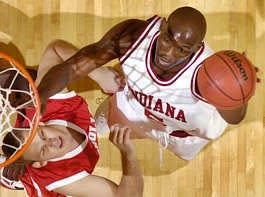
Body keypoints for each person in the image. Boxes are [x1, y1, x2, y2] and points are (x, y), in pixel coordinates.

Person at [36, 6, 248, 161]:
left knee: (183, 154)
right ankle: (100, 124)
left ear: (196, 49)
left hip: (181, 133)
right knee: (102, 120)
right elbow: (74, 66)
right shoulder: (131, 36)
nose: (168, 53)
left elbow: (235, 116)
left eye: (182, 50)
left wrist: (239, 90)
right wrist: (43, 94)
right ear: (163, 25)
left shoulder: (210, 74)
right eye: (167, 39)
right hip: (136, 107)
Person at [0, 40, 143, 197]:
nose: (52, 142)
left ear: (38, 123)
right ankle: (16, 178)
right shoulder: (64, 177)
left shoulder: (51, 104)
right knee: (13, 174)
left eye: (42, 135)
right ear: (41, 163)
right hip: (40, 183)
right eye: (43, 150)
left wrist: (99, 74)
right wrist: (128, 154)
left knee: (21, 80)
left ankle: (104, 119)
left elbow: (54, 49)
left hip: (33, 138)